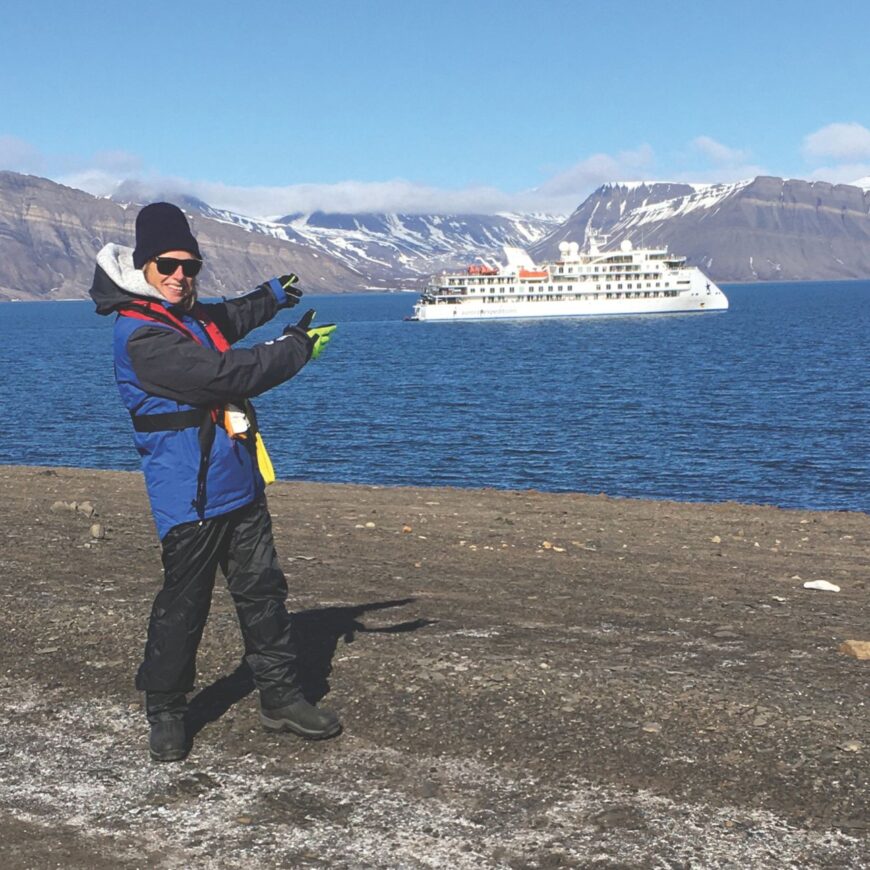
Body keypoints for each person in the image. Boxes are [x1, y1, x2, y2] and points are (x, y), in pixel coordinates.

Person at [89, 202, 340, 762]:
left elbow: (227, 319)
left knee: (263, 593)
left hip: (240, 482)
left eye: (190, 266)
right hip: (190, 495)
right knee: (184, 606)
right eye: (168, 266)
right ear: (143, 266)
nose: (181, 276)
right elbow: (226, 374)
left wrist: (273, 294)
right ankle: (167, 711)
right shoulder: (142, 337)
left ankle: (279, 698)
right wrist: (294, 349)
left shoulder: (187, 315)